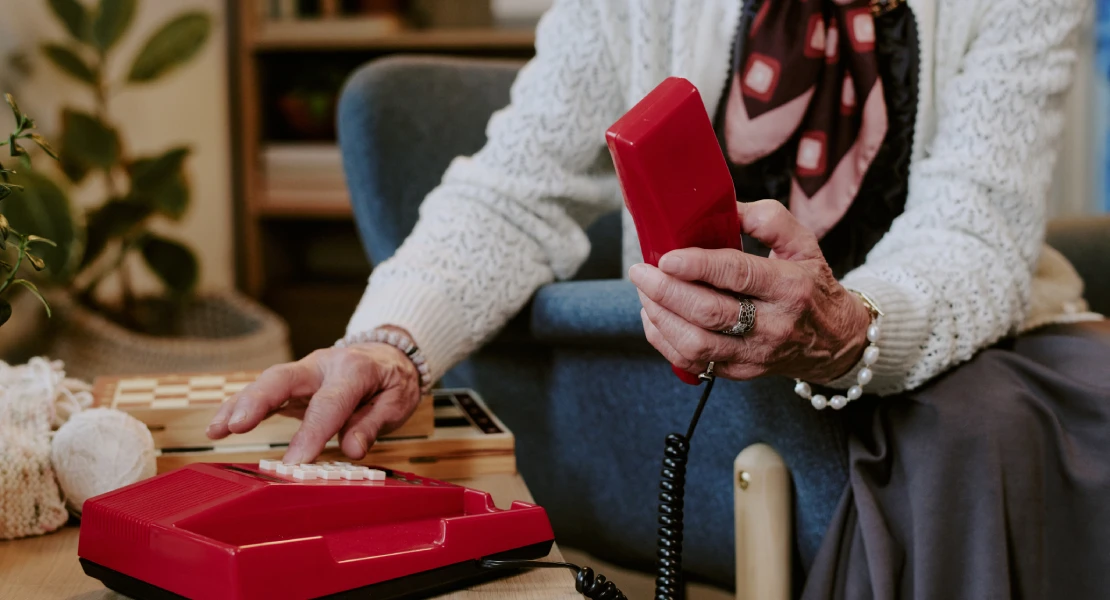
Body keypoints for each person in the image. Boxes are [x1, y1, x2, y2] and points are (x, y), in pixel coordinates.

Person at [208, 0, 1110, 596]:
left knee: (995, 420)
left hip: (954, 333)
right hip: (732, 391)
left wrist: (847, 330)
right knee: (980, 436)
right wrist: (390, 343)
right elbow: (512, 192)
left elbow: (974, 228)